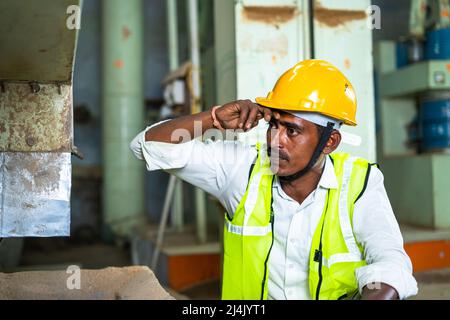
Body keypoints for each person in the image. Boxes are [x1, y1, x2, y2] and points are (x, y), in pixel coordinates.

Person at [130, 60, 418, 300]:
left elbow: (391, 263)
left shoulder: (359, 183)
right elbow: (147, 147)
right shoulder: (243, 169)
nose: (274, 141)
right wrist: (213, 119)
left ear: (329, 142)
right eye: (273, 126)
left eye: (291, 131)